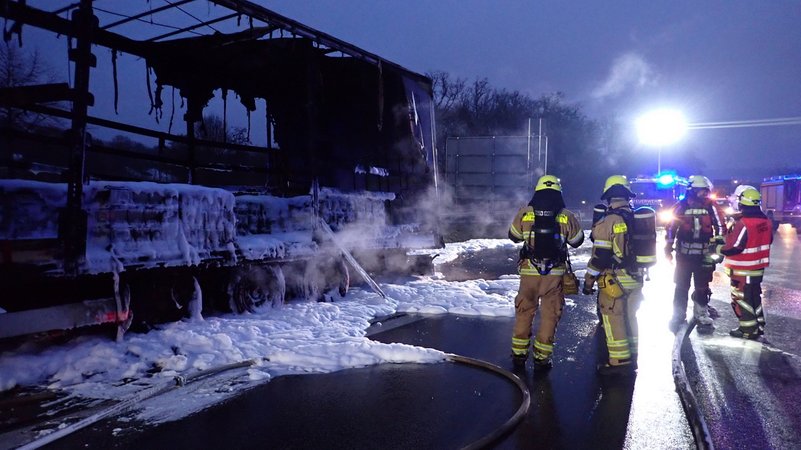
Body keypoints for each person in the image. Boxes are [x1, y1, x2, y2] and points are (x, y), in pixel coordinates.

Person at [508, 175, 584, 370]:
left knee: (524, 312)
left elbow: (514, 237)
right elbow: (577, 241)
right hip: (554, 274)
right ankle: (542, 358)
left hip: (529, 272)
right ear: (559, 191)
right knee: (550, 315)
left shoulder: (525, 213)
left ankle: (518, 355)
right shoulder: (566, 215)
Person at [582, 175, 643, 376]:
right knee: (630, 317)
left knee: (613, 317)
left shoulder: (609, 220)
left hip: (615, 278)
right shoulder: (636, 217)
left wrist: (589, 280)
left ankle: (619, 361)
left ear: (609, 197)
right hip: (636, 277)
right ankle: (633, 355)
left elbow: (600, 256)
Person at [665, 175, 727, 333]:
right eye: (700, 191)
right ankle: (678, 315)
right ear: (692, 190)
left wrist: (718, 244)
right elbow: (671, 226)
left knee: (702, 286)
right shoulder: (682, 205)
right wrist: (668, 246)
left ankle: (701, 314)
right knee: (681, 286)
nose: (703, 194)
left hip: (703, 255)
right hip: (684, 256)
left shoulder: (711, 206)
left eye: (705, 191)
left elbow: (720, 225)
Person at [708, 187, 772, 339]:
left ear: (742, 203)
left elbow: (734, 247)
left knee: (742, 299)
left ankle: (747, 330)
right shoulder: (766, 221)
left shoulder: (744, 223)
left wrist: (717, 247)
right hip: (758, 268)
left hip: (742, 269)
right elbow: (768, 241)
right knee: (754, 297)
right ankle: (758, 326)